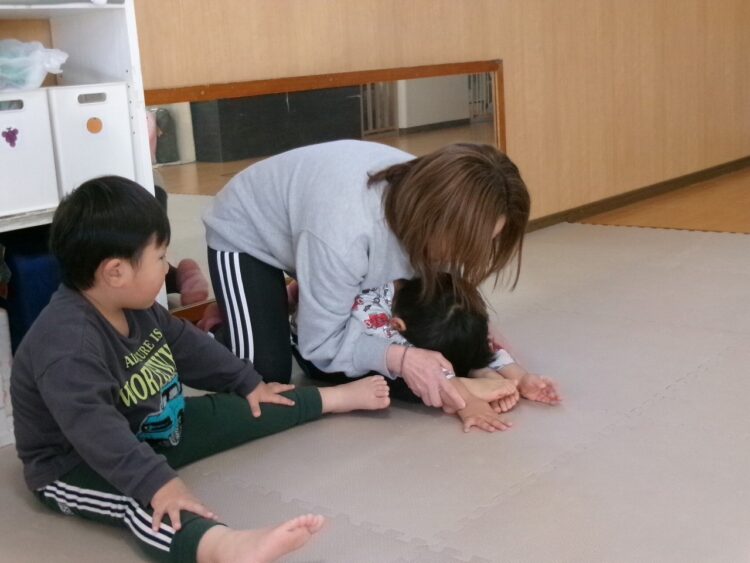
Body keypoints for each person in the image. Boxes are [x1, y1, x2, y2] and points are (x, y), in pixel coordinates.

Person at [10, 176, 391, 563]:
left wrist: (246, 382)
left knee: (246, 405)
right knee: (141, 500)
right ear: (116, 272)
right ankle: (222, 546)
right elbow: (95, 429)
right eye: (160, 258)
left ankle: (327, 399)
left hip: (146, 425)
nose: (167, 268)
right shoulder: (68, 345)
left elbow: (188, 347)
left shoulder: (138, 308)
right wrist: (158, 483)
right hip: (75, 462)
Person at [203, 140, 531, 412]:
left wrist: (480, 345)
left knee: (420, 336)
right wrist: (403, 360)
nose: (461, 257)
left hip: (320, 244)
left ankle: (301, 298)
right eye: (462, 244)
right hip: (249, 233)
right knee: (264, 377)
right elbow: (321, 346)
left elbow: (447, 306)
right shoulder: (345, 233)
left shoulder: (442, 205)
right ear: (433, 218)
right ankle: (227, 323)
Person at [351, 275, 561, 432]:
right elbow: (415, 361)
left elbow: (479, 340)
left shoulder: (437, 294)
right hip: (338, 363)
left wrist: (519, 377)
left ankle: (475, 372)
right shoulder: (369, 312)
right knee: (402, 377)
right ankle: (465, 381)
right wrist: (467, 400)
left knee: (463, 342)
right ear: (397, 326)